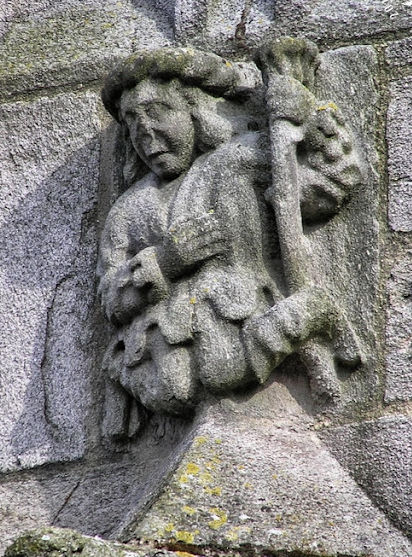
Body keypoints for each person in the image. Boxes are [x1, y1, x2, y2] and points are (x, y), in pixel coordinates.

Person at [98, 44, 363, 439]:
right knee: (171, 389)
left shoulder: (235, 161)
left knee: (221, 370)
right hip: (157, 340)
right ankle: (304, 316)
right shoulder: (129, 208)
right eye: (133, 122)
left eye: (157, 114)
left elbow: (331, 180)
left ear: (194, 111)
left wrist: (301, 115)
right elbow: (109, 295)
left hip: (231, 310)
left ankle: (312, 312)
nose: (146, 134)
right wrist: (165, 262)